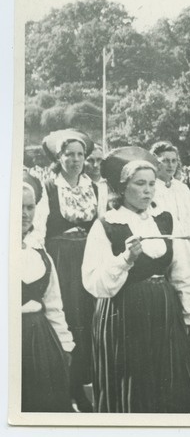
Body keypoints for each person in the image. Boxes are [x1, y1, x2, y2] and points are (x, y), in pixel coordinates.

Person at [82, 146, 190, 413]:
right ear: (123, 187)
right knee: (132, 388)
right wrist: (125, 259)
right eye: (140, 184)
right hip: (124, 317)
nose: (148, 190)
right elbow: (94, 283)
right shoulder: (106, 224)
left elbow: (185, 271)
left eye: (152, 184)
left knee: (170, 384)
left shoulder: (165, 221)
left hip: (165, 313)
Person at [31, 129, 98, 412]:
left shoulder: (95, 188)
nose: (75, 160)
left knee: (91, 319)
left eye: (80, 154)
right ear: (59, 158)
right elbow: (39, 229)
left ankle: (89, 386)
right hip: (61, 259)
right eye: (68, 154)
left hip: (90, 257)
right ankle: (68, 388)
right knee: (68, 320)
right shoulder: (49, 188)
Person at [21, 173, 74, 412]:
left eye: (30, 207)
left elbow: (53, 304)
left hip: (39, 339)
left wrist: (64, 345)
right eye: (18, 206)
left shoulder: (39, 253)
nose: (24, 213)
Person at [150, 141, 190, 237]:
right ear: (155, 163)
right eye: (165, 161)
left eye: (174, 161)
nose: (171, 165)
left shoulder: (183, 188)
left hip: (188, 244)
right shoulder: (150, 189)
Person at [84, 144, 109, 220]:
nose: (95, 165)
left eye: (99, 160)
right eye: (90, 160)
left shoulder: (110, 184)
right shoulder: (79, 184)